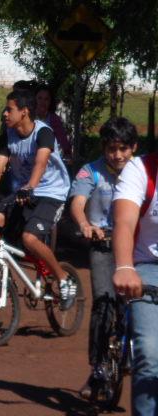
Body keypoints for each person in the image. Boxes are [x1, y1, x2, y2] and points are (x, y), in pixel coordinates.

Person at [0, 89, 76, 309]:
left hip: (51, 193)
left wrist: (30, 187)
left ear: (24, 112)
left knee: (29, 238)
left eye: (9, 109)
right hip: (23, 192)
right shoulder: (8, 134)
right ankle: (5, 275)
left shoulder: (43, 132)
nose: (4, 114)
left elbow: (40, 163)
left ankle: (65, 280)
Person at [70, 117, 136, 398]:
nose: (118, 155)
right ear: (104, 148)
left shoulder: (142, 172)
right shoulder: (91, 172)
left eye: (123, 148)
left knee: (139, 304)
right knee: (104, 303)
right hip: (103, 244)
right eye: (112, 149)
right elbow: (77, 202)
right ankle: (97, 367)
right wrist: (85, 225)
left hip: (136, 248)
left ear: (133, 148)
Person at [112, 142, 158, 416]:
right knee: (151, 354)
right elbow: (125, 222)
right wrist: (125, 266)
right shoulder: (141, 170)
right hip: (149, 266)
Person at [35, 84, 73, 158]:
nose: (43, 102)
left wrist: (68, 153)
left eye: (46, 99)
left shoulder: (54, 119)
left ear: (50, 102)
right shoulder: (28, 117)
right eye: (40, 98)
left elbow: (63, 140)